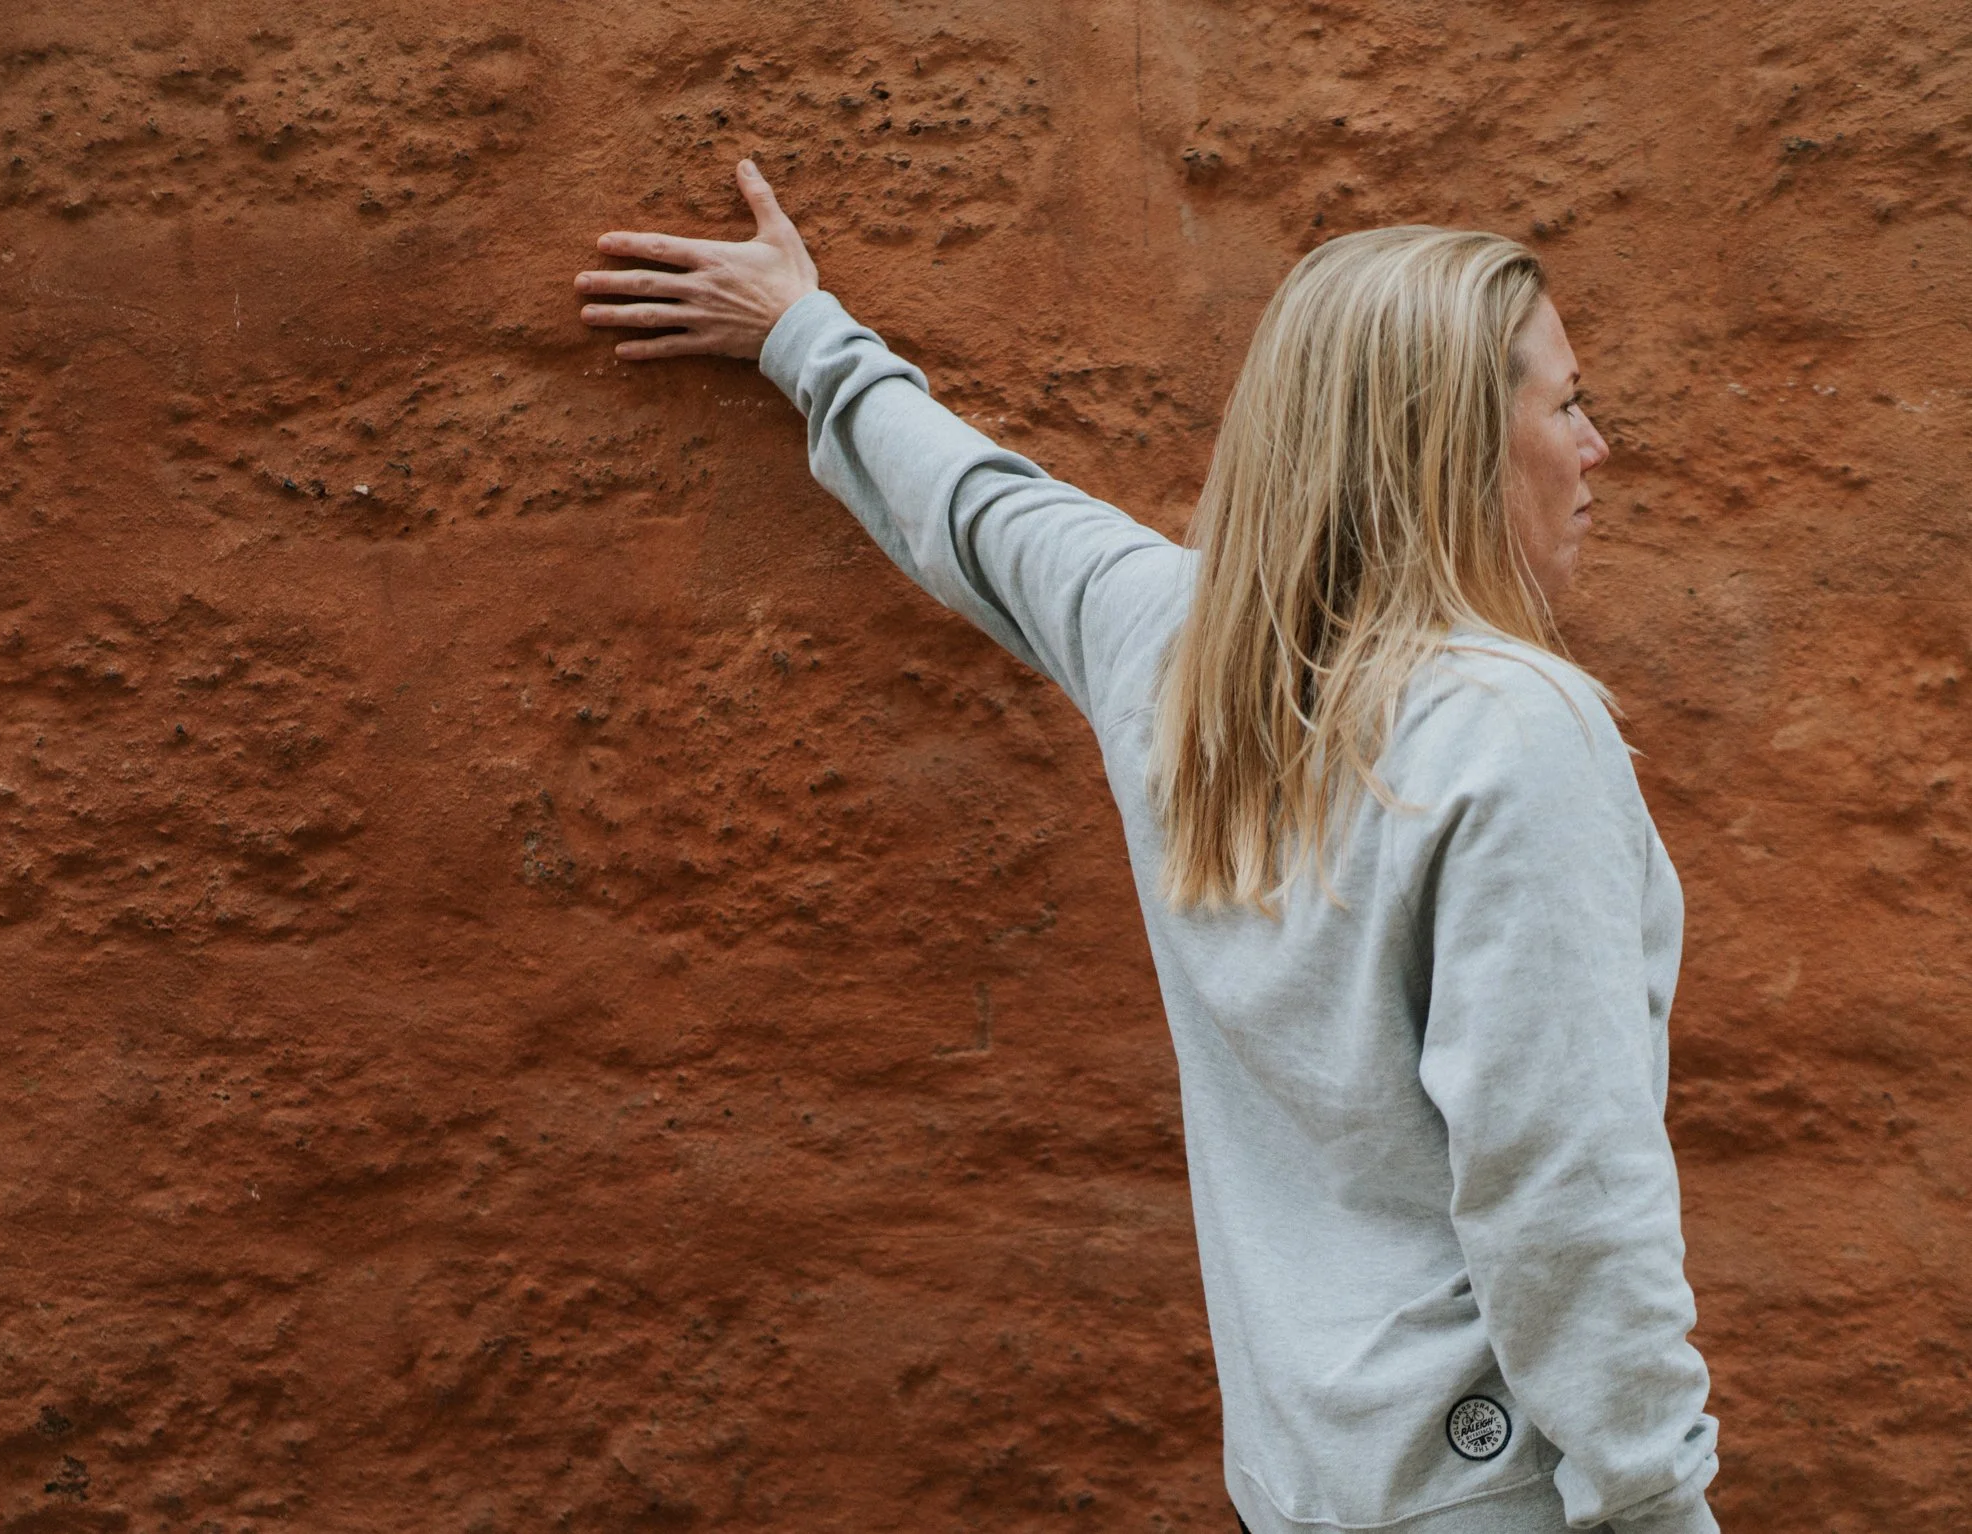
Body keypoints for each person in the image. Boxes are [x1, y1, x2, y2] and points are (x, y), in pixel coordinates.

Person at [573, 159, 1720, 1534]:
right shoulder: (1518, 734)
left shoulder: (1175, 646)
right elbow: (1565, 1201)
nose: (1597, 445)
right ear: (1457, 445)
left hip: (1292, 1484)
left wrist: (804, 334)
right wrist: (1658, 1506)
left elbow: (982, 517)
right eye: (1567, 402)